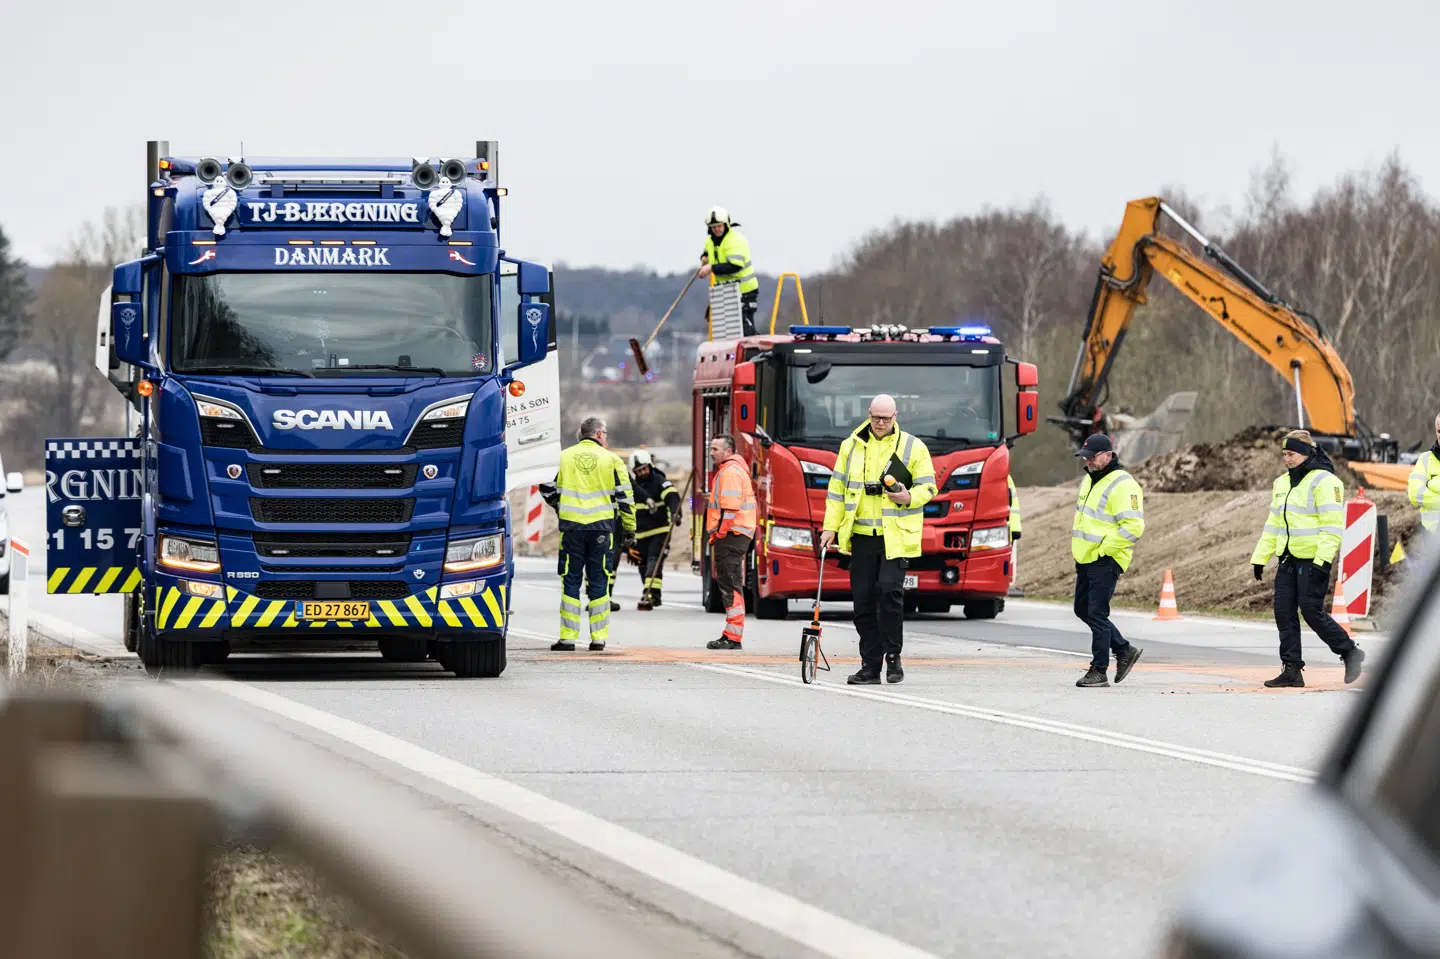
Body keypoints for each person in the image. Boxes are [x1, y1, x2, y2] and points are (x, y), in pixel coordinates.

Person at [819, 394, 937, 685]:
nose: (881, 423)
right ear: (869, 414)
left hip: (895, 536)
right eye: (876, 418)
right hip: (861, 536)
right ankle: (870, 666)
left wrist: (909, 497)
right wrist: (829, 527)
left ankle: (893, 657)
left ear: (896, 416)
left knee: (889, 594)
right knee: (863, 604)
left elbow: (929, 486)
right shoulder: (851, 446)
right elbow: (836, 491)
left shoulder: (913, 446)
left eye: (886, 418)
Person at [1251, 429, 1364, 688]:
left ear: (1304, 453)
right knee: (1283, 612)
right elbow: (1273, 524)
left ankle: (1349, 651)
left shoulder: (1325, 481)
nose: (1286, 459)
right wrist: (1260, 556)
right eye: (1284, 454)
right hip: (1288, 559)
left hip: (1313, 560)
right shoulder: (1282, 483)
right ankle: (1292, 669)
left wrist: (1322, 561)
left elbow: (1332, 526)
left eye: (1291, 454)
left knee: (1311, 612)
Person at [538, 417, 635, 652]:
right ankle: (598, 638)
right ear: (600, 434)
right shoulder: (612, 460)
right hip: (601, 529)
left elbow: (545, 486)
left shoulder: (562, 457)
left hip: (572, 528)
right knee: (599, 581)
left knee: (570, 580)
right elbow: (625, 497)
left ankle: (567, 638)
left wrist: (559, 506)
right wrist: (630, 528)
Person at [1071, 433, 1145, 688]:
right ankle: (1124, 649)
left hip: (1106, 558)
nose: (1088, 461)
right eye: (1085, 457)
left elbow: (1134, 526)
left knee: (1097, 613)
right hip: (1086, 557)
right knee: (1082, 609)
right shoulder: (1088, 480)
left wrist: (1104, 549)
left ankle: (1099, 670)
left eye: (1092, 457)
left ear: (1108, 455)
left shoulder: (1124, 484)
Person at [704, 434, 756, 649]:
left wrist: (721, 533)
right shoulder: (733, 469)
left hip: (732, 534)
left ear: (728, 451)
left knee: (730, 584)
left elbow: (731, 508)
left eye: (715, 449)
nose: (711, 453)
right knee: (729, 583)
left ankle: (733, 637)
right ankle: (731, 634)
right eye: (711, 448)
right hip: (735, 534)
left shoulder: (730, 472)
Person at [628, 449, 683, 610]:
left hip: (659, 531)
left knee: (654, 561)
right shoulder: (633, 487)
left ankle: (648, 593)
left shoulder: (660, 481)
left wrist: (675, 513)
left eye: (644, 468)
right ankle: (656, 596)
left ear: (650, 466)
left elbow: (672, 497)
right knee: (643, 565)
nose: (642, 472)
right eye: (638, 471)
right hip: (639, 534)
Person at [698, 206, 759, 337]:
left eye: (719, 226)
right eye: (713, 227)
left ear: (726, 224)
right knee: (729, 332)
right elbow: (708, 252)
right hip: (726, 292)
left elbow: (735, 265)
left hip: (744, 291)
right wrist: (704, 258)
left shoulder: (735, 239)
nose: (716, 229)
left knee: (745, 331)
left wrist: (711, 268)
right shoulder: (710, 240)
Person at [1407, 412, 1440, 539]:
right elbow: (1415, 494)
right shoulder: (1424, 459)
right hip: (1430, 538)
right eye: (1439, 431)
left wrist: (1431, 484)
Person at [1007, 473, 1024, 597]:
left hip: (1006, 527)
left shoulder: (1004, 477)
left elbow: (1013, 504)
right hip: (1009, 527)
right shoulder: (1007, 478)